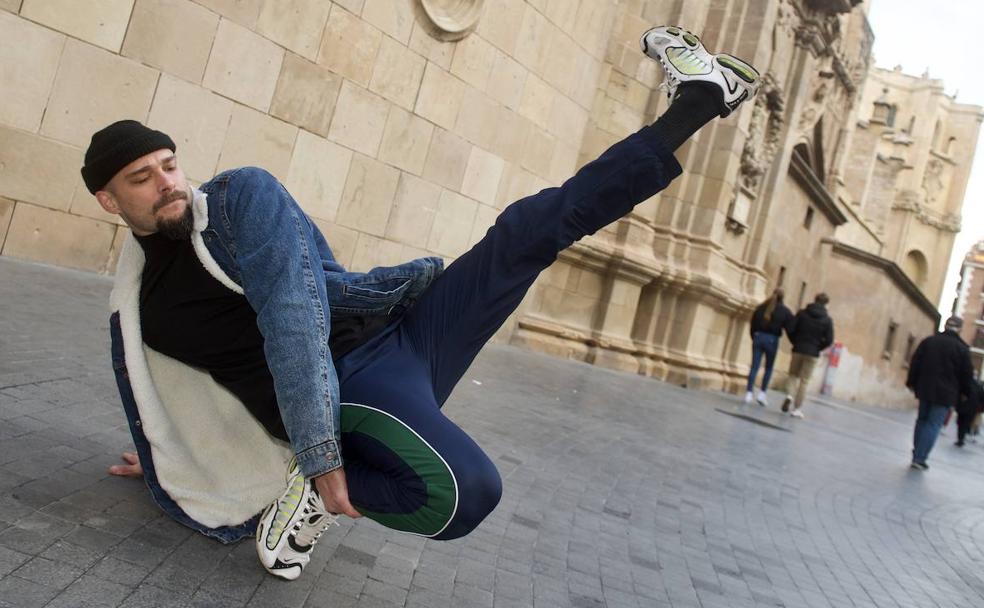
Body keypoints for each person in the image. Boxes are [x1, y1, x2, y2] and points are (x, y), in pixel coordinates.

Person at [91, 25, 760, 580]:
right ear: (109, 200)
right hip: (356, 386)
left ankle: (698, 101)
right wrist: (170, 461)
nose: (168, 184)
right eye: (142, 179)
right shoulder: (146, 301)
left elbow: (293, 320)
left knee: (529, 230)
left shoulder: (238, 201)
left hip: (393, 335)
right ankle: (312, 492)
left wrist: (320, 460)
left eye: (170, 165)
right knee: (465, 494)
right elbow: (177, 391)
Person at [906, 316, 975, 468]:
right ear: (960, 329)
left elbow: (916, 362)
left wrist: (912, 382)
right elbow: (966, 375)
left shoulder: (929, 342)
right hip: (946, 394)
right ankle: (919, 458)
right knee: (933, 424)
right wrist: (966, 393)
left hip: (925, 388)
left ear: (945, 326)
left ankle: (917, 452)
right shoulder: (962, 349)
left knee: (922, 420)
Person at [781, 293, 834, 419]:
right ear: (826, 304)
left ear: (814, 300)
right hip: (813, 353)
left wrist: (795, 341)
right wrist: (818, 347)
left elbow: (790, 328)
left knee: (793, 375)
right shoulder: (827, 320)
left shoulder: (802, 313)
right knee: (804, 381)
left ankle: (789, 395)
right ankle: (797, 408)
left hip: (798, 349)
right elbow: (829, 340)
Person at [744, 287, 794, 406]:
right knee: (768, 368)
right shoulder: (785, 311)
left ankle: (749, 393)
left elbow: (753, 323)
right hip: (772, 340)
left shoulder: (761, 307)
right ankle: (762, 394)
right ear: (783, 297)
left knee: (754, 366)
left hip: (758, 337)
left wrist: (754, 336)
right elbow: (790, 328)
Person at [955, 378, 983, 447]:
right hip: (972, 408)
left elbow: (959, 393)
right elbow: (982, 398)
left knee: (960, 422)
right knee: (965, 423)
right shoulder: (979, 387)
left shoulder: (966, 383)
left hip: (963, 406)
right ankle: (961, 438)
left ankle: (960, 438)